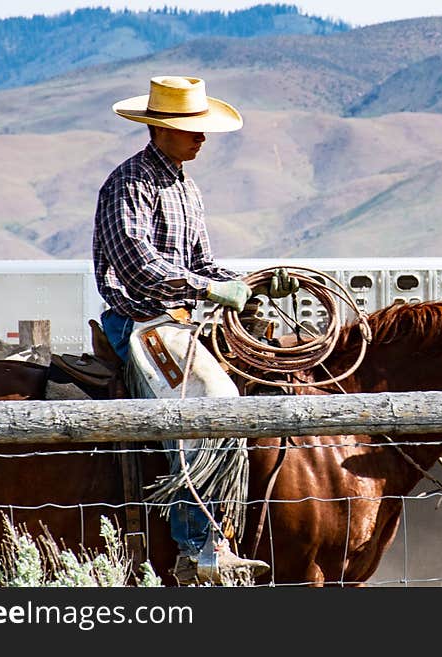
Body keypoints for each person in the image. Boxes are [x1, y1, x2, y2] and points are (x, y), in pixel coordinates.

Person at [92, 75, 297, 584]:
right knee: (210, 399)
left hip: (185, 318)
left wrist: (249, 283)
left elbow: (202, 262)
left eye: (202, 129)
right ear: (159, 128)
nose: (201, 137)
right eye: (191, 128)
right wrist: (208, 291)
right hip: (142, 320)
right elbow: (137, 264)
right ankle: (198, 546)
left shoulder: (186, 188)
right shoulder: (129, 182)